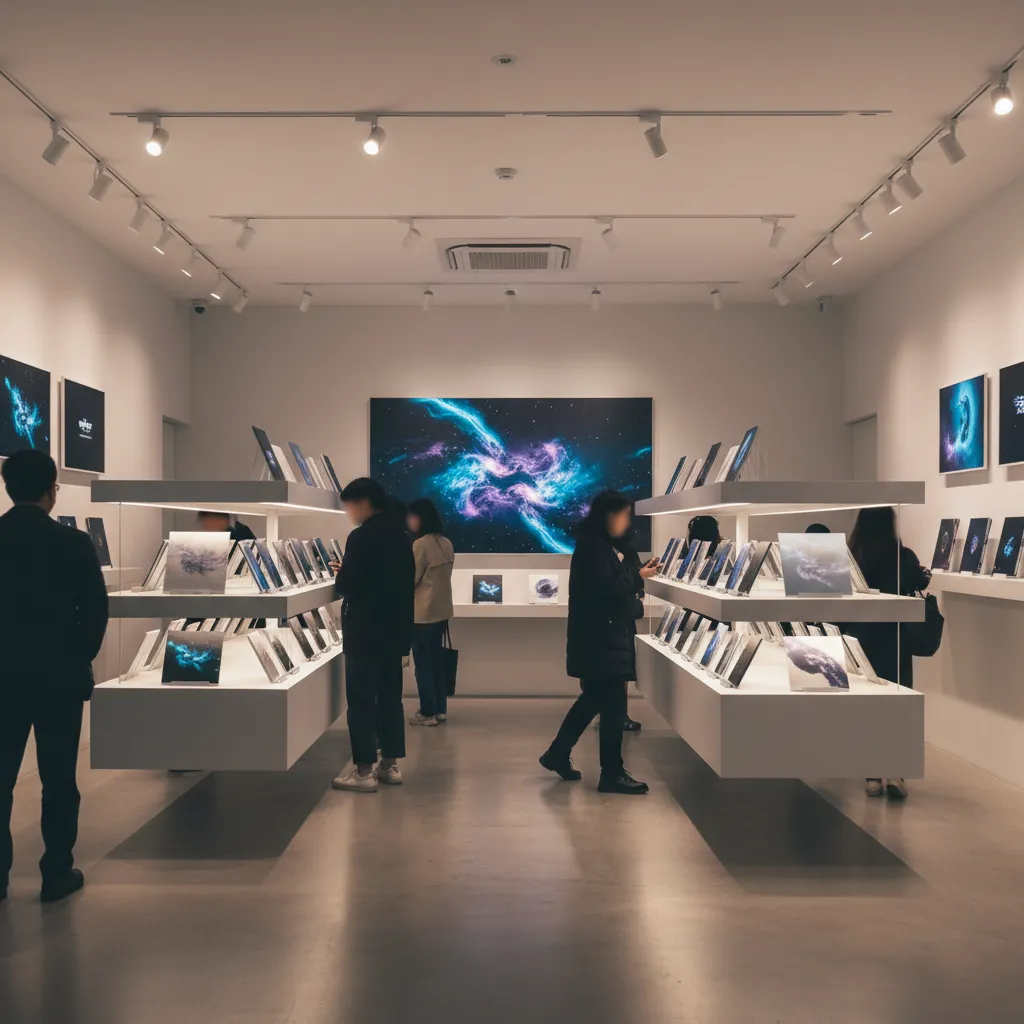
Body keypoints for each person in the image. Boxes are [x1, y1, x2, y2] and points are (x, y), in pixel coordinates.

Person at [0, 450, 109, 902]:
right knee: (59, 779)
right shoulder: (73, 542)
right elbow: (96, 611)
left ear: (8, 488)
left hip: (4, 678)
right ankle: (56, 873)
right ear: (52, 489)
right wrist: (78, 656)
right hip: (59, 678)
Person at [540, 490, 658, 794]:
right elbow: (607, 591)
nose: (627, 521)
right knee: (613, 707)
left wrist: (635, 577)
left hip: (600, 641)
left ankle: (557, 753)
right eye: (623, 515)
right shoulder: (595, 548)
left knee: (593, 700)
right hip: (602, 641)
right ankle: (611, 773)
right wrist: (638, 577)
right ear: (609, 516)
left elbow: (612, 588)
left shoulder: (600, 546)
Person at [331, 478, 414, 793]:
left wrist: (342, 573)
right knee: (390, 700)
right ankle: (390, 765)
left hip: (364, 633)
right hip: (394, 635)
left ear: (363, 503)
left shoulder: (361, 536)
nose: (348, 512)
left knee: (362, 702)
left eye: (349, 505)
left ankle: (363, 770)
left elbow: (349, 585)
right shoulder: (401, 537)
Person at [844, 505, 929, 801]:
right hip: (896, 642)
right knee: (899, 708)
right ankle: (895, 774)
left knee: (869, 710)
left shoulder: (851, 557)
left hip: (860, 642)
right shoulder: (903, 556)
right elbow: (921, 583)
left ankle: (871, 777)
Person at [406, 499, 455, 727]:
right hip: (441, 611)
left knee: (423, 664)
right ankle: (440, 709)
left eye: (412, 516)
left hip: (422, 613)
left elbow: (411, 579)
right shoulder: (446, 543)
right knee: (436, 662)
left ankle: (427, 711)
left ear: (420, 518)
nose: (409, 521)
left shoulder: (420, 545)